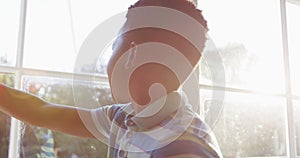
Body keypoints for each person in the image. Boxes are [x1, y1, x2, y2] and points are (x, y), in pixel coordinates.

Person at [0, 0, 223, 157]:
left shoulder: (183, 148)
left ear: (132, 53)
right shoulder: (124, 119)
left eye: (115, 45)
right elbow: (40, 111)